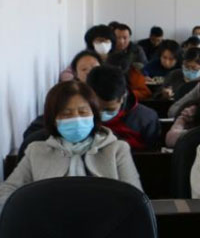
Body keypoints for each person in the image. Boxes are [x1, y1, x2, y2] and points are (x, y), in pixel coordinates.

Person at [0, 82, 141, 211]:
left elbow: (135, 196)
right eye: (66, 114)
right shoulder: (36, 151)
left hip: (106, 223)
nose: (76, 119)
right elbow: (8, 189)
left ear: (94, 114)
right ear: (53, 120)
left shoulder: (117, 149)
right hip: (48, 224)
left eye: (83, 112)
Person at [85, 64, 161, 150]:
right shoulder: (79, 119)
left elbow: (152, 154)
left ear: (123, 97)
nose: (100, 114)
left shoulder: (145, 119)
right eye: (95, 108)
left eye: (109, 109)